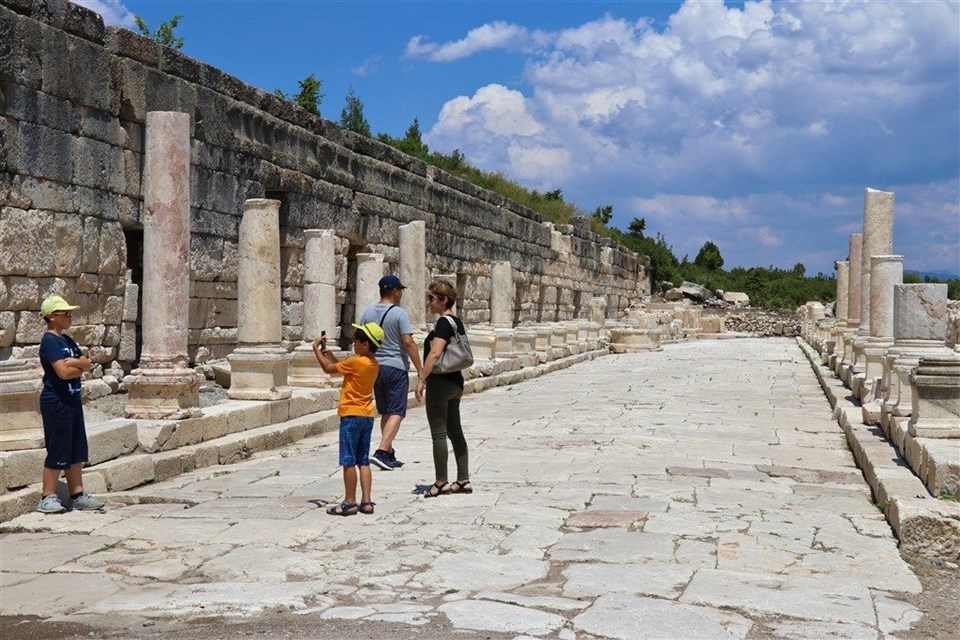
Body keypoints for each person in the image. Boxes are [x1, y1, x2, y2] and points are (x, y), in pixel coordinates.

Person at [36, 295, 104, 514]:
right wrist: (80, 365)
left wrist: (79, 363)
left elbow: (86, 362)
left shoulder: (67, 341)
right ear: (52, 317)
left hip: (72, 401)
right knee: (58, 448)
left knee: (76, 448)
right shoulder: (49, 341)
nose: (69, 316)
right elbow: (63, 372)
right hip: (57, 401)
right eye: (65, 313)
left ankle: (77, 494)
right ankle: (47, 496)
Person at [312, 321, 384, 516]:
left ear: (366, 344)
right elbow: (341, 368)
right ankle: (366, 501)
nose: (353, 343)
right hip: (366, 415)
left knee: (348, 461)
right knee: (363, 461)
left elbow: (328, 369)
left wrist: (315, 349)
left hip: (351, 415)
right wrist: (332, 357)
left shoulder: (355, 362)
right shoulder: (372, 364)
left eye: (356, 341)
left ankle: (350, 502)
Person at [359, 274, 423, 470]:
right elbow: (408, 342)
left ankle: (388, 452)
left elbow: (360, 338)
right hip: (395, 366)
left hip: (375, 367)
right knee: (398, 411)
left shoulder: (368, 311)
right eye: (400, 290)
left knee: (386, 410)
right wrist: (421, 369)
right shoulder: (399, 314)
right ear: (395, 291)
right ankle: (381, 451)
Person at [415, 281, 473, 498]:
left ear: (443, 300)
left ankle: (441, 482)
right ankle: (463, 479)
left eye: (432, 298)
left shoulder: (442, 323)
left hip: (440, 383)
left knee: (438, 433)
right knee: (455, 431)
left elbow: (435, 353)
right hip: (456, 382)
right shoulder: (457, 322)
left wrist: (421, 379)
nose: (429, 303)